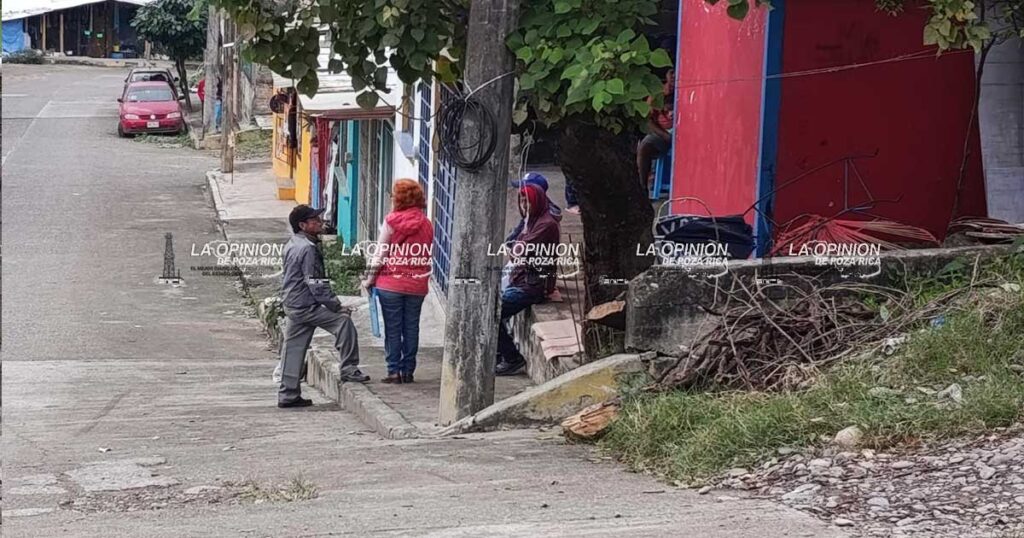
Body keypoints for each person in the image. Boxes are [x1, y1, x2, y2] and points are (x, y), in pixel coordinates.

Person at [278, 205, 369, 408]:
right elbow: (316, 283)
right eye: (315, 220)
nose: (320, 223)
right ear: (303, 225)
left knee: (293, 349)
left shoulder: (293, 243)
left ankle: (287, 394)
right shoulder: (308, 249)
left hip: (292, 303)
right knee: (343, 323)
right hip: (306, 306)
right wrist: (336, 306)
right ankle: (349, 369)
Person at [361, 180, 434, 384]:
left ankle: (393, 371)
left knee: (393, 329)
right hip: (417, 285)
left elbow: (380, 253)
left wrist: (369, 279)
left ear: (397, 199)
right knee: (411, 327)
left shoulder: (391, 221)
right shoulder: (427, 224)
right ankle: (408, 371)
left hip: (390, 284)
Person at [495, 183, 561, 376]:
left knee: (494, 312)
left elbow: (516, 250)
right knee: (494, 308)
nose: (524, 204)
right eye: (522, 200)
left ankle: (512, 357)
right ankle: (501, 353)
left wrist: (515, 248)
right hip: (522, 279)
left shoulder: (545, 224)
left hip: (532, 285)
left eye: (527, 200)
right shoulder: (531, 220)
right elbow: (512, 245)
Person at [636, 68, 675, 190]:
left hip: (688, 132)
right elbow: (647, 120)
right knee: (644, 147)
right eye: (671, 73)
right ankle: (642, 189)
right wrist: (664, 135)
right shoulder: (658, 93)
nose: (674, 76)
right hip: (664, 132)